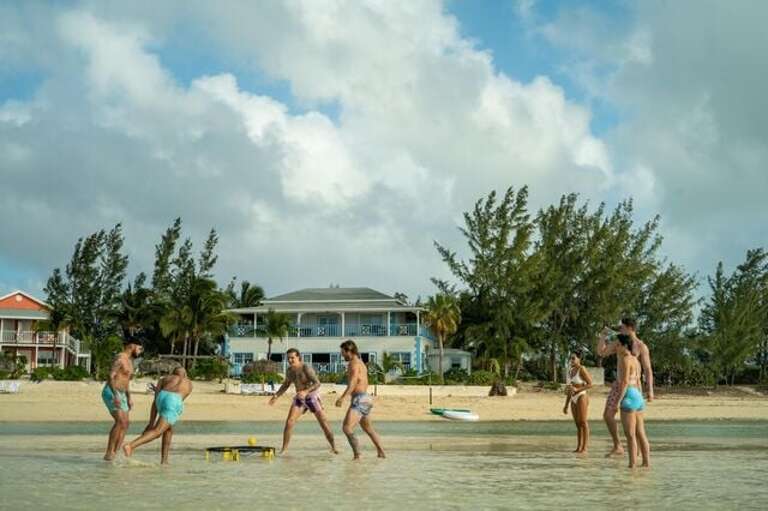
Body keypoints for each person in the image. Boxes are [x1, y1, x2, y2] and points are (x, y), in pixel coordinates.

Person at [597, 317, 654, 456]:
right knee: (608, 416)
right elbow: (601, 352)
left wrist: (650, 390)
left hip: (634, 387)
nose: (619, 329)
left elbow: (647, 369)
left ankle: (637, 454)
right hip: (619, 384)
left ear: (630, 328)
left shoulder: (641, 346)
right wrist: (603, 336)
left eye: (622, 327)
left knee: (637, 426)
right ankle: (618, 445)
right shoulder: (619, 342)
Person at [269, 348, 338, 454]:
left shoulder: (306, 368)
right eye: (288, 358)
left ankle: (334, 447)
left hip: (311, 396)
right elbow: (286, 385)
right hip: (300, 398)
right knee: (290, 421)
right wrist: (276, 395)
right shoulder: (290, 371)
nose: (290, 360)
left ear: (298, 357)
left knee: (323, 422)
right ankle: (284, 450)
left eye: (292, 358)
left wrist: (306, 391)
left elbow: (317, 383)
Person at [123, 366, 193, 464]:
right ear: (185, 375)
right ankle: (131, 446)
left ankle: (164, 461)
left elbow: (155, 402)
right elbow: (175, 400)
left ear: (173, 374)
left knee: (168, 429)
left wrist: (151, 423)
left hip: (161, 397)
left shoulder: (164, 379)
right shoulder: (188, 383)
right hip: (174, 401)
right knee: (158, 431)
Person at [335, 340, 385, 460]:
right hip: (366, 399)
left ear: (349, 351)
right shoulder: (361, 363)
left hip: (360, 399)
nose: (342, 356)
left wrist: (342, 397)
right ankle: (381, 453)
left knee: (347, 428)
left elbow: (353, 382)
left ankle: (358, 456)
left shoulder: (354, 363)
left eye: (343, 353)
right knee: (368, 429)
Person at [102, 335, 143, 461]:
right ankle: (109, 453)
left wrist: (129, 397)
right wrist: (115, 395)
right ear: (132, 346)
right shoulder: (119, 358)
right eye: (139, 348)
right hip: (112, 391)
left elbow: (126, 381)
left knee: (125, 424)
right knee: (120, 421)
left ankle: (116, 452)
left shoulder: (130, 362)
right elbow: (110, 376)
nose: (140, 351)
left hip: (123, 394)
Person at [616, 334, 650, 468]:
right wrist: (641, 398)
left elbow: (625, 382)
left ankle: (632, 465)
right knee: (641, 433)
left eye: (618, 345)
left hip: (629, 395)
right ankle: (646, 463)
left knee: (630, 435)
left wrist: (618, 401)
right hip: (638, 396)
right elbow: (639, 381)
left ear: (625, 346)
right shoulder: (636, 360)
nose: (617, 348)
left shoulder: (625, 360)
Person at [562, 350, 593, 453]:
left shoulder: (582, 369)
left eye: (573, 358)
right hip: (573, 398)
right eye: (570, 358)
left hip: (581, 396)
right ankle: (579, 447)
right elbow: (570, 388)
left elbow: (590, 384)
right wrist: (566, 405)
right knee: (577, 424)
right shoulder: (570, 371)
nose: (571, 360)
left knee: (583, 421)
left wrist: (577, 390)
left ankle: (585, 448)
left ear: (579, 359)